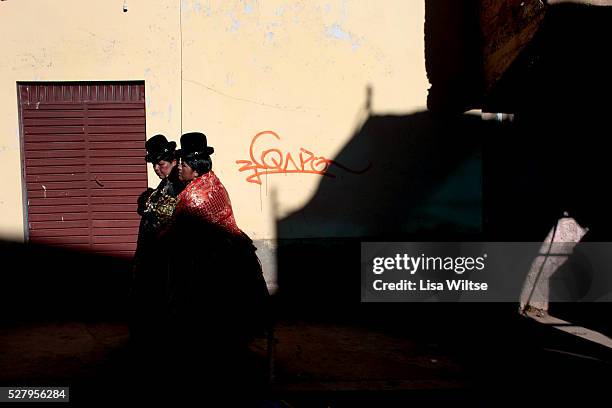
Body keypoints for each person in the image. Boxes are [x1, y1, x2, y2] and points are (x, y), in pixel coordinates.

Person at [162, 132, 270, 382]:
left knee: (208, 316)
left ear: (196, 170)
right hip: (233, 252)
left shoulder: (194, 198)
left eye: (184, 164)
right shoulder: (211, 181)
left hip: (214, 262)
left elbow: (172, 229)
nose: (179, 168)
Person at [130, 134, 184, 349]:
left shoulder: (179, 186)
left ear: (173, 162)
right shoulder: (164, 185)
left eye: (161, 164)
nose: (156, 168)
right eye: (154, 164)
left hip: (167, 255)